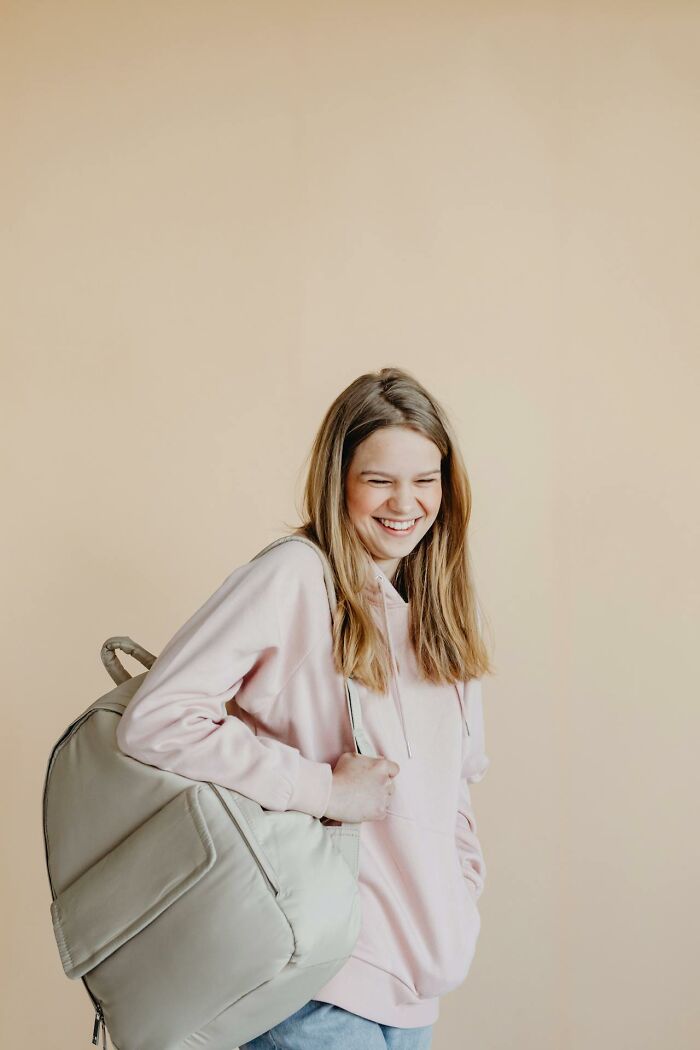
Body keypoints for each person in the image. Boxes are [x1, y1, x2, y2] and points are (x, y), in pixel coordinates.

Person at [116, 366, 492, 1050]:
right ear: (338, 481)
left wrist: (458, 907)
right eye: (378, 479)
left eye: (425, 480)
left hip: (416, 992)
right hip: (317, 984)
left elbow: (454, 794)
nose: (404, 502)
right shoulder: (295, 578)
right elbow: (158, 718)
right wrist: (322, 789)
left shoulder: (440, 615)